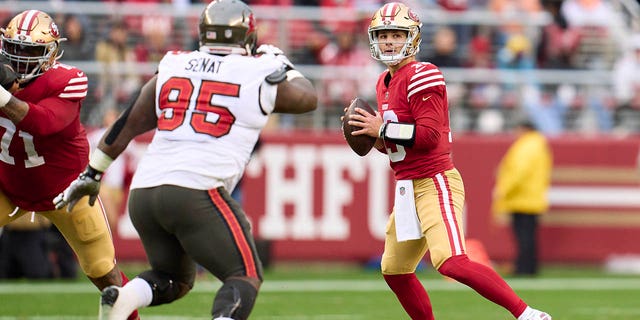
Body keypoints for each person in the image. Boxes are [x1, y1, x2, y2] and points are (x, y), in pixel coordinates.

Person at [53, 0, 317, 319]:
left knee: (174, 278)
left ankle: (122, 300)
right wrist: (281, 62)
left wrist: (93, 173)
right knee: (244, 275)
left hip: (146, 191)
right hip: (197, 190)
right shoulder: (258, 70)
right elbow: (307, 98)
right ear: (248, 36)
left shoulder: (175, 63)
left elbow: (129, 121)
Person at [344, 3, 552, 320]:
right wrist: (372, 138)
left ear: (411, 38)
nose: (388, 41)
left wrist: (381, 128)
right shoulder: (383, 82)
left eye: (395, 35)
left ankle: (528, 315)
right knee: (395, 270)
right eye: (383, 35)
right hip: (407, 188)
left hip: (434, 182)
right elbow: (396, 146)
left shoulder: (423, 74)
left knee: (452, 261)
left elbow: (428, 136)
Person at [0, 10, 138, 320]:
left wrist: (2, 97)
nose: (21, 58)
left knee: (104, 272)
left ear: (50, 53)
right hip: (8, 185)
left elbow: (43, 123)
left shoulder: (69, 79)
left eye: (31, 51)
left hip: (66, 191)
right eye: (14, 48)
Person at [492, 120, 552, 276]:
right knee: (528, 236)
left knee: (523, 237)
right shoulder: (538, 145)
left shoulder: (527, 146)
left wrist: (503, 190)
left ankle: (524, 268)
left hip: (521, 198)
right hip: (531, 198)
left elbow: (518, 172)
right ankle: (528, 266)